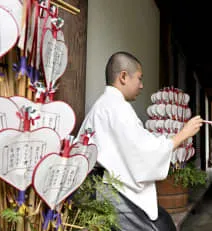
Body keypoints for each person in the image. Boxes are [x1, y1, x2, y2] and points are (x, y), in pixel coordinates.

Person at [77, 51, 203, 231]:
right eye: (139, 78)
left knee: (164, 222)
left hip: (104, 185)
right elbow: (144, 152)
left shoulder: (107, 104)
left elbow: (138, 144)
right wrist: (183, 134)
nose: (142, 85)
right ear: (123, 77)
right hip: (107, 189)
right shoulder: (116, 108)